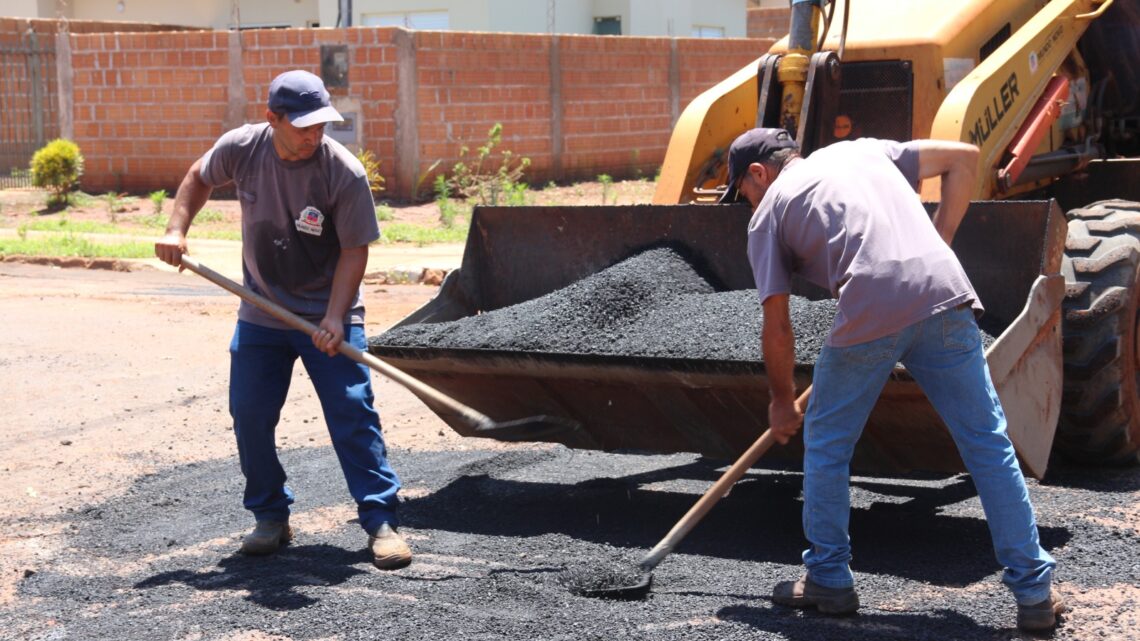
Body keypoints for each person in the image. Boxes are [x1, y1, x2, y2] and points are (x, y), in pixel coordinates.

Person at [720, 128, 1063, 631]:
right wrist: (938, 244)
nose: (748, 204)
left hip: (871, 305)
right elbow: (964, 158)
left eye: (744, 193)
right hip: (945, 290)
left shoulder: (769, 213)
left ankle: (829, 578)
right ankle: (1034, 594)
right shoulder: (860, 150)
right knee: (988, 443)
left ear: (758, 173)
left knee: (828, 445)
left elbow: (777, 325)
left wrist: (780, 399)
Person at [154, 69, 411, 570]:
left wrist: (335, 317)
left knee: (352, 412)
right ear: (273, 118)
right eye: (305, 126)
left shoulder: (342, 172)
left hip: (327, 312)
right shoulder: (243, 148)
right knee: (249, 413)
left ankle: (381, 520)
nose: (316, 134)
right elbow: (198, 176)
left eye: (322, 124)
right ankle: (270, 516)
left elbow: (355, 251)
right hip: (263, 311)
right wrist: (176, 228)